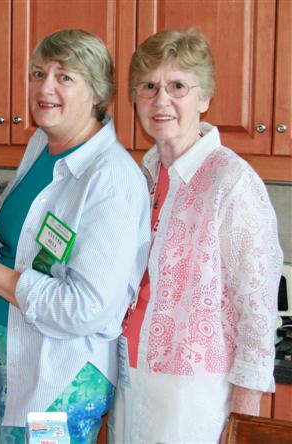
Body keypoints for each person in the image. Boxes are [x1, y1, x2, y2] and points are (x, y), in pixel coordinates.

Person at [0, 29, 150, 443]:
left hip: (59, 383)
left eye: (65, 77)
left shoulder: (112, 179)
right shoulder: (41, 145)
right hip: (13, 364)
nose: (45, 87)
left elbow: (85, 308)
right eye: (38, 73)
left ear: (97, 93)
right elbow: (24, 238)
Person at [109, 28, 283, 443]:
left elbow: (257, 314)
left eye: (177, 86)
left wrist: (243, 420)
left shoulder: (232, 181)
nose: (161, 100)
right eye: (148, 87)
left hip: (192, 394)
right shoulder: (142, 174)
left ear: (204, 99)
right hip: (126, 374)